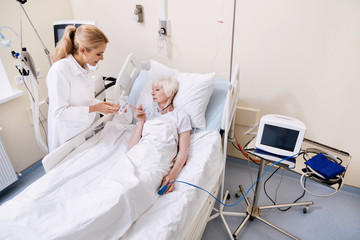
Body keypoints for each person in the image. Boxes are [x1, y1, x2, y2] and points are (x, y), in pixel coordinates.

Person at [46, 25, 120, 152]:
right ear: (83, 50)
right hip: (66, 135)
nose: (102, 58)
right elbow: (60, 112)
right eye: (98, 54)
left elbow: (86, 100)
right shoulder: (60, 70)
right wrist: (95, 108)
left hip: (82, 131)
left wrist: (103, 105)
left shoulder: (84, 67)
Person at [129, 76, 191, 194]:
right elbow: (132, 147)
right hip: (139, 155)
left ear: (170, 92)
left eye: (157, 90)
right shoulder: (149, 114)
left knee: (137, 187)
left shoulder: (181, 117)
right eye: (152, 90)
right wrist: (140, 122)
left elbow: (183, 152)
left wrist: (172, 175)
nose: (152, 93)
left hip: (159, 157)